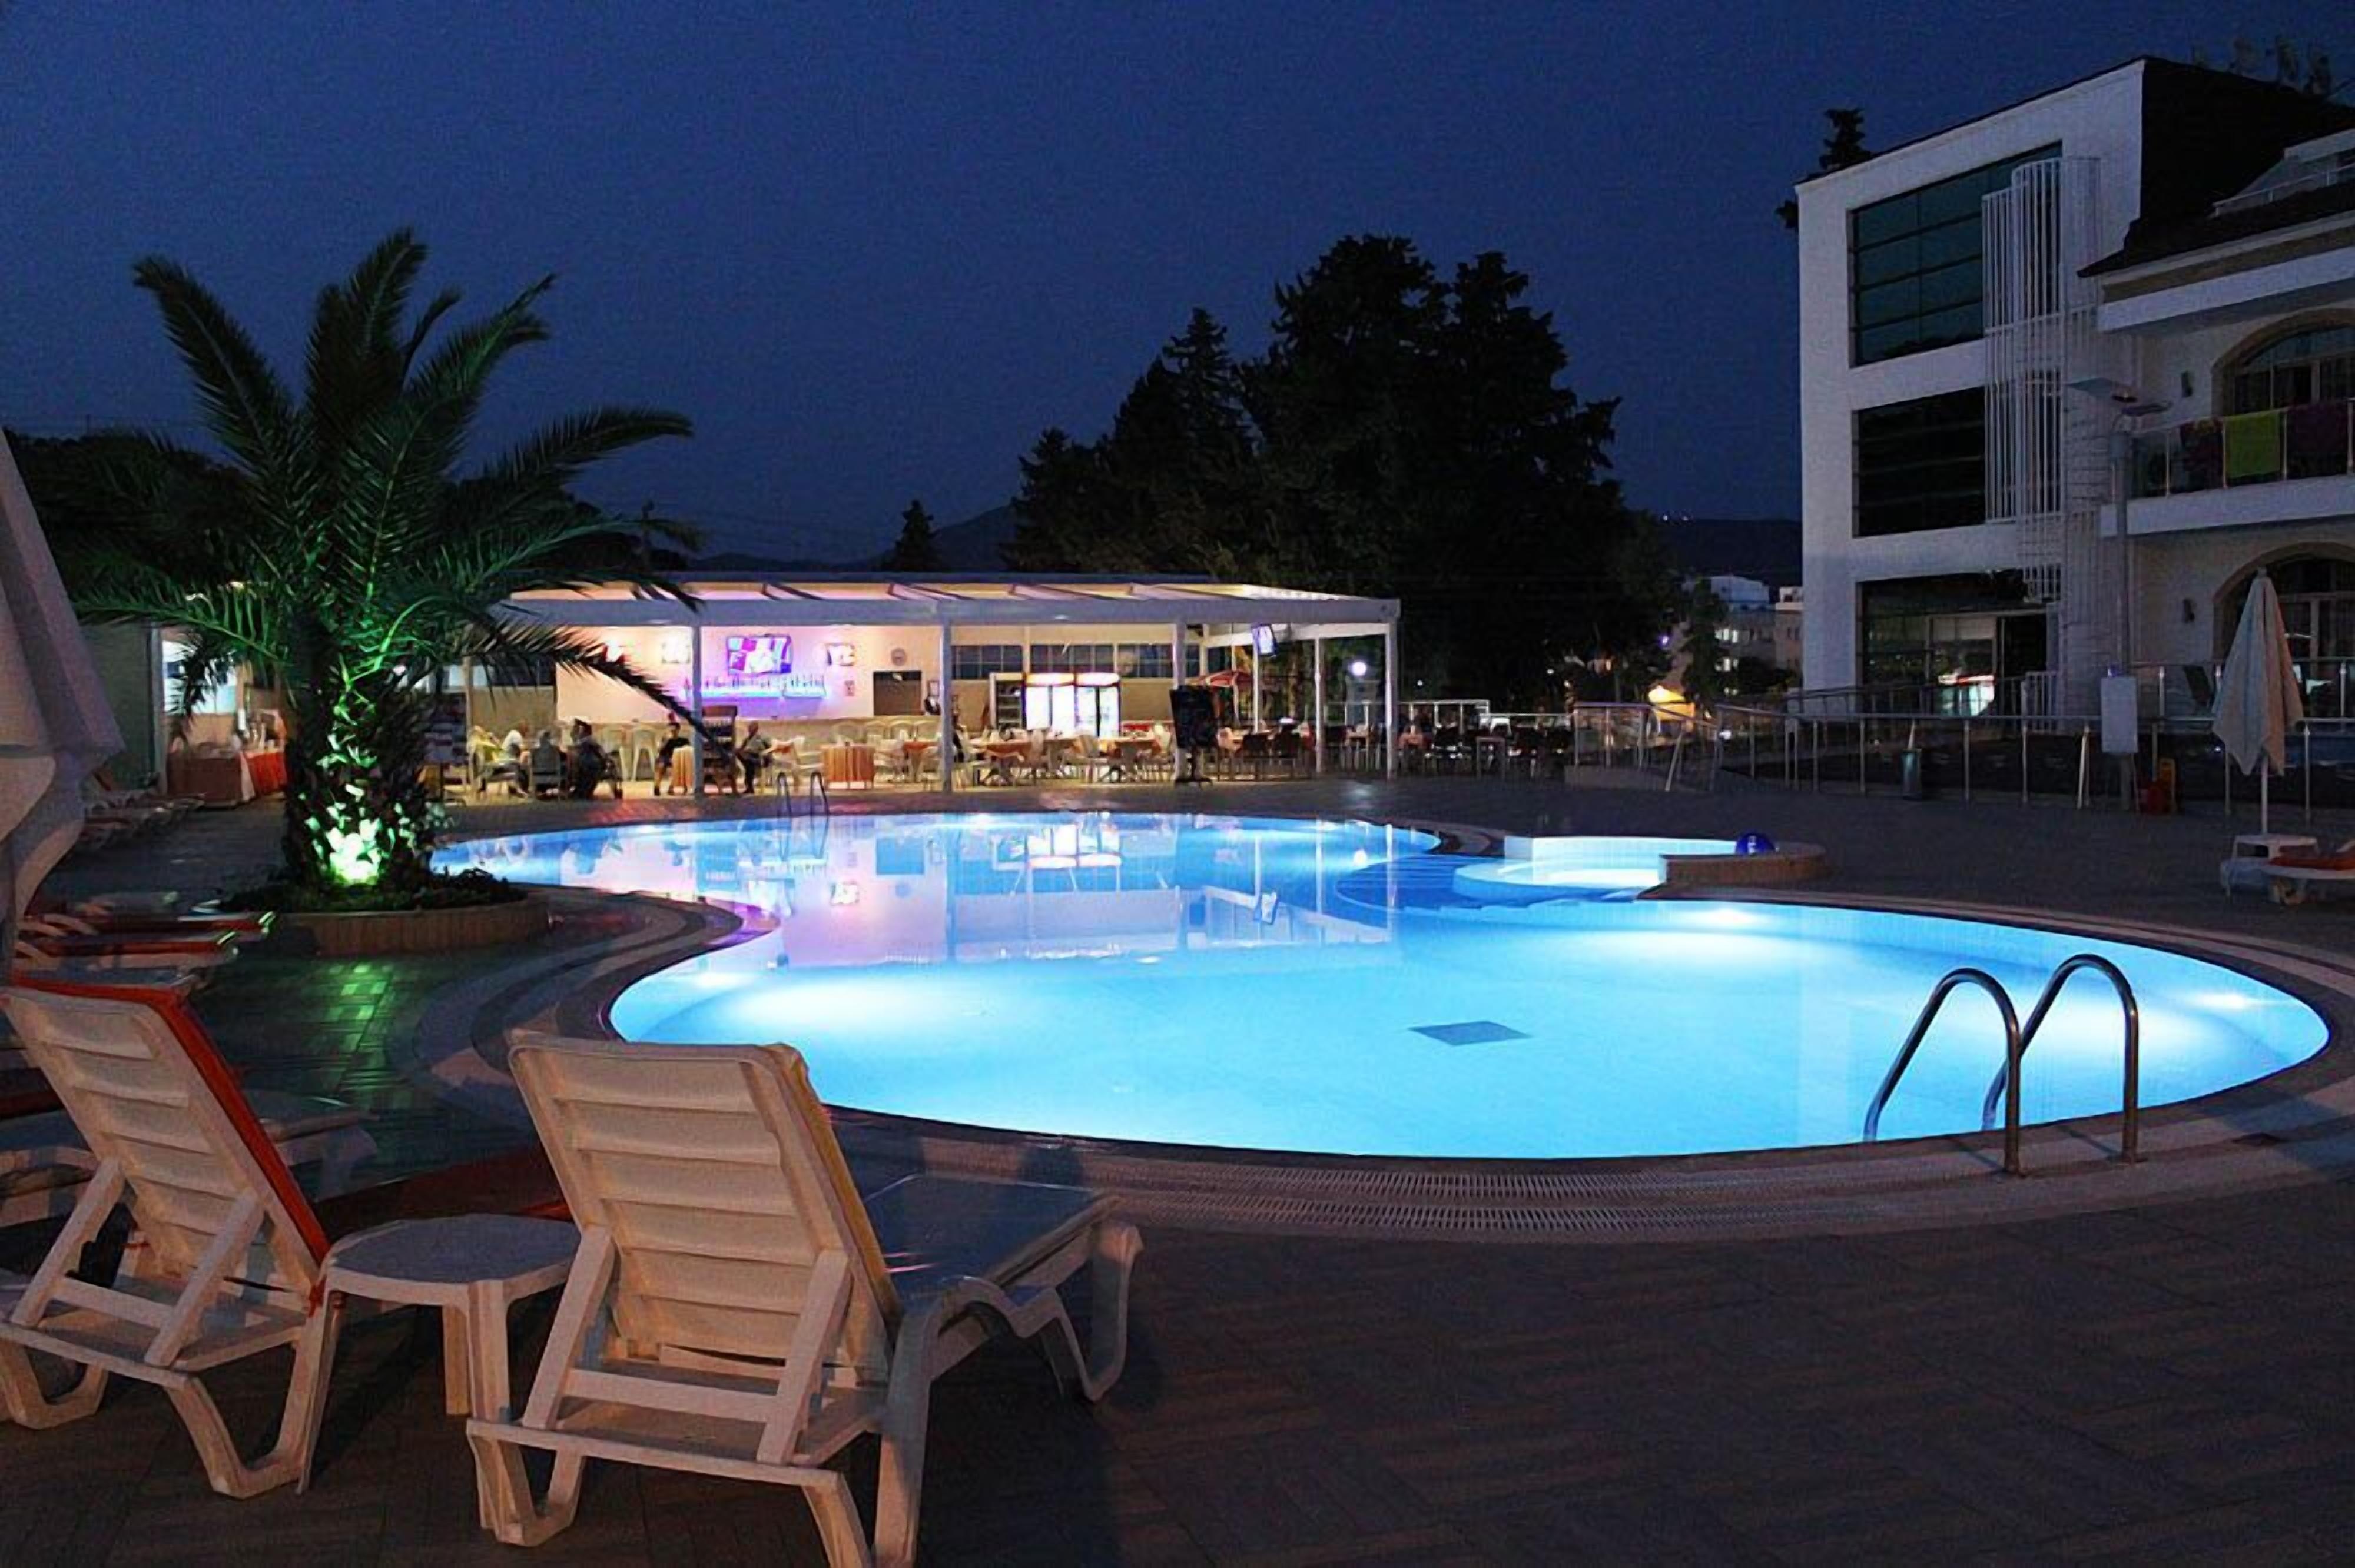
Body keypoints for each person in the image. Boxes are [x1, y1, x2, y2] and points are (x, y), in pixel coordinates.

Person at [566, 720, 610, 800]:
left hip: (589, 765)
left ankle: (582, 793)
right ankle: (583, 792)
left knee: (584, 778)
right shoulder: (589, 742)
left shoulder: (586, 742)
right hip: (592, 766)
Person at [652, 715, 689, 796]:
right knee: (661, 766)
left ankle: (671, 788)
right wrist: (666, 740)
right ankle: (657, 786)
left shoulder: (683, 741)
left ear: (678, 730)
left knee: (678, 767)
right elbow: (660, 750)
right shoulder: (666, 740)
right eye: (671, 730)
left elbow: (688, 751)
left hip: (678, 759)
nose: (673, 731)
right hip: (665, 757)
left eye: (674, 730)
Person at [736, 722, 774, 793]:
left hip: (761, 758)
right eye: (749, 728)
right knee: (747, 762)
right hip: (750, 758)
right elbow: (741, 749)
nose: (749, 729)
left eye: (751, 728)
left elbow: (771, 748)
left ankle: (749, 787)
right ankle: (749, 787)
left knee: (749, 764)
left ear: (756, 729)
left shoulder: (762, 737)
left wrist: (765, 753)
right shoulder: (747, 739)